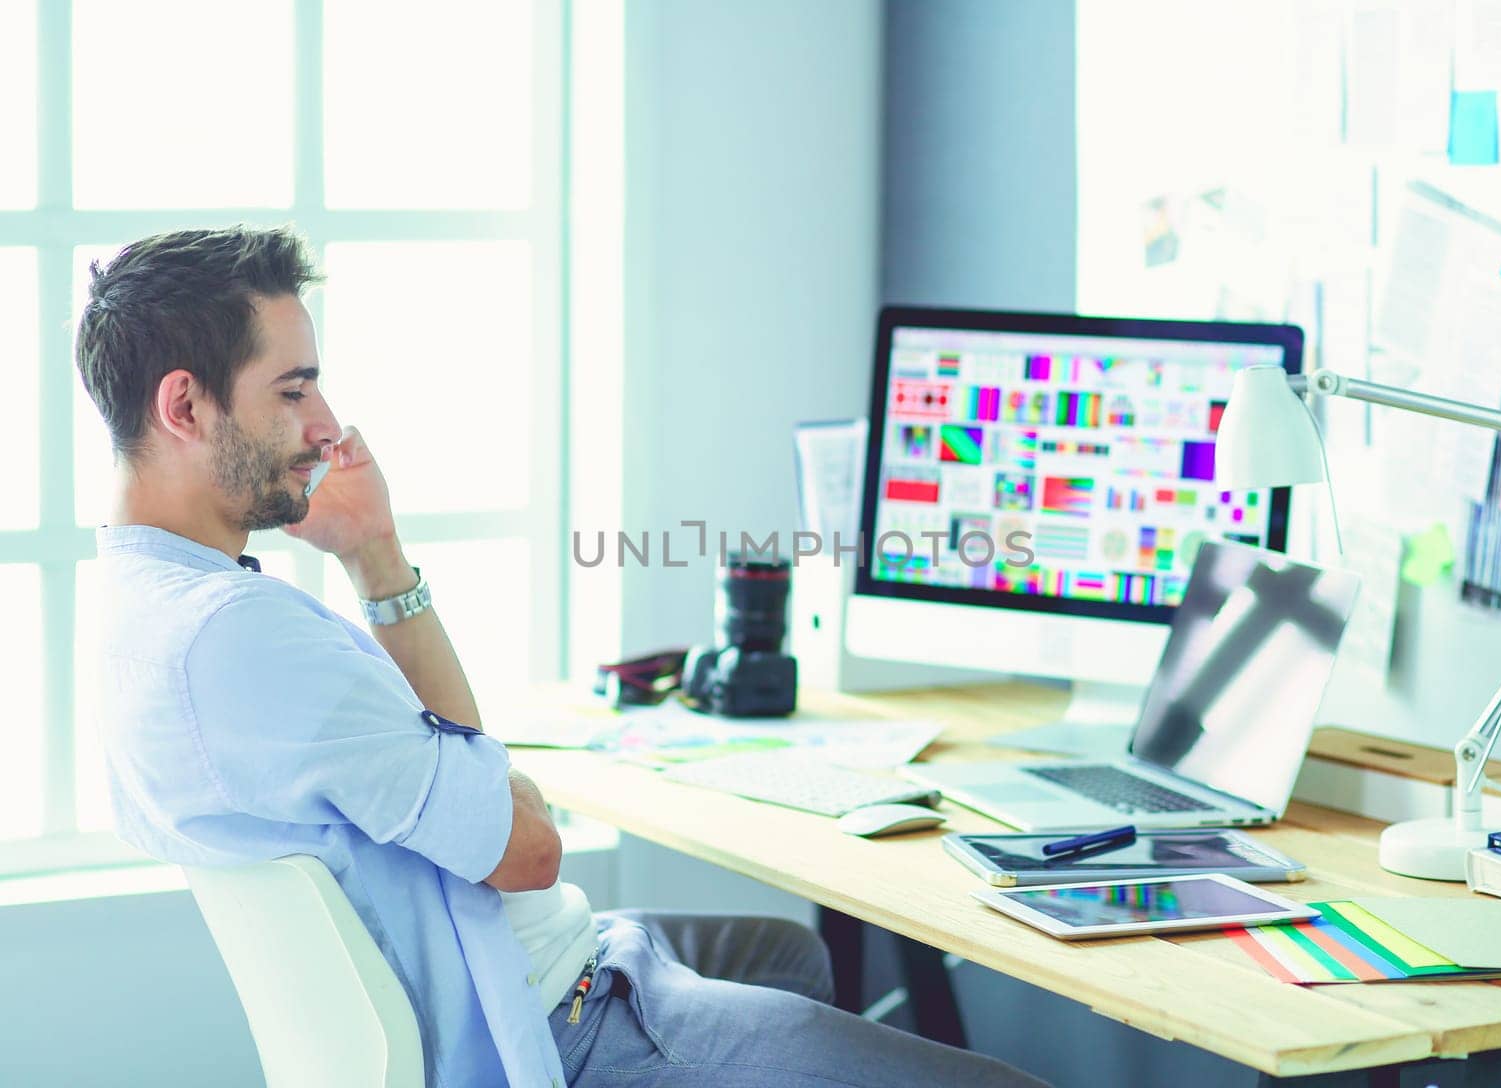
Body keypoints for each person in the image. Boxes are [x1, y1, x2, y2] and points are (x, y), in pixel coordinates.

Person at [78, 226, 1052, 1088]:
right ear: (186, 406)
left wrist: (376, 555)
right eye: (293, 389)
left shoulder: (143, 603)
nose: (327, 424)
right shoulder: (243, 638)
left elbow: (481, 789)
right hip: (562, 1022)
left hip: (560, 957)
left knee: (789, 952)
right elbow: (527, 846)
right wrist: (505, 796)